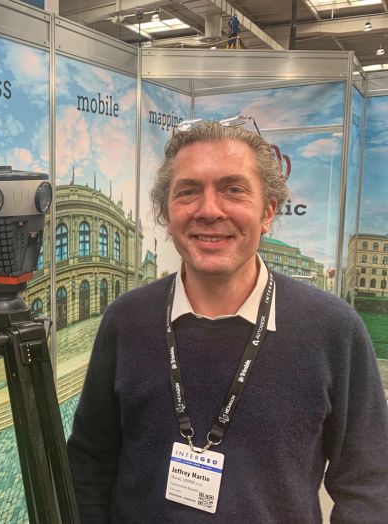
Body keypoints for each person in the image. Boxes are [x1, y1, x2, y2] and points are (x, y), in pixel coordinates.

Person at [67, 120, 388, 522]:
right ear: (167, 214)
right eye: (188, 192)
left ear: (268, 210)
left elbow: (370, 484)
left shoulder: (333, 329)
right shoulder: (126, 320)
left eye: (233, 189)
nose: (209, 210)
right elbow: (89, 462)